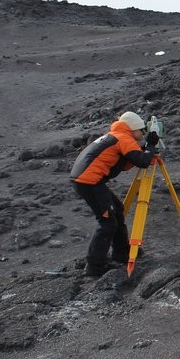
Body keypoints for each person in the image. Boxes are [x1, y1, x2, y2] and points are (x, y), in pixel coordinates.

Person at [70, 111, 160, 276]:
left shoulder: (116, 135)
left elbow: (126, 161)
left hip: (87, 179)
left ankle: (121, 253)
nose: (142, 134)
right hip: (89, 181)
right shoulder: (123, 138)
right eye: (141, 130)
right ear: (133, 129)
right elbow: (142, 161)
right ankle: (94, 267)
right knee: (108, 222)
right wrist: (151, 147)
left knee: (117, 211)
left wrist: (146, 148)